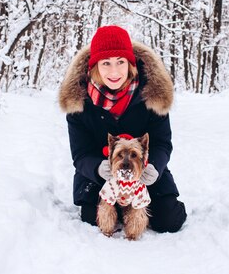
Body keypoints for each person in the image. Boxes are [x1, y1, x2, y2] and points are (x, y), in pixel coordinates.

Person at [58, 25, 187, 233]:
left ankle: (143, 207)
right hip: (99, 178)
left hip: (143, 172)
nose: (114, 71)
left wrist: (154, 165)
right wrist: (98, 169)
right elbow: (80, 153)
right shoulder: (79, 101)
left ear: (131, 64)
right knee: (93, 218)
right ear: (95, 66)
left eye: (120, 62)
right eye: (106, 63)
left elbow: (162, 142)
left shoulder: (152, 94)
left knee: (169, 220)